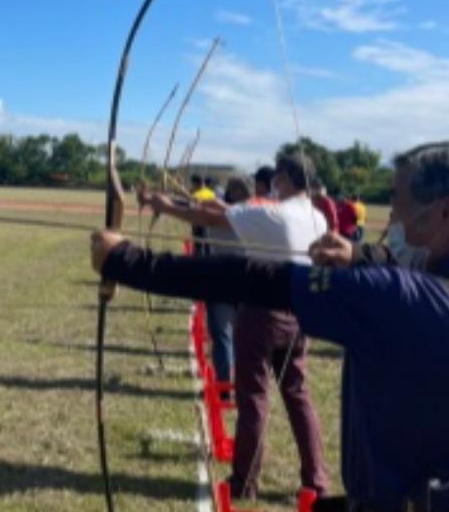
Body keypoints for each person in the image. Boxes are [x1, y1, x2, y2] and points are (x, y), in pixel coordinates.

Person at [92, 141, 449, 510]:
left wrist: (126, 261)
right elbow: (445, 275)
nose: (396, 216)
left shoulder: (398, 300)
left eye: (402, 203)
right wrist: (361, 254)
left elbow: (256, 278)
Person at [137, 154, 330, 500]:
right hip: (302, 314)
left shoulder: (273, 212)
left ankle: (245, 482)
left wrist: (163, 205)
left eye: (277, 180)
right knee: (298, 396)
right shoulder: (316, 216)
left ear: (284, 178)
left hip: (262, 312)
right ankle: (316, 481)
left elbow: (211, 215)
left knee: (253, 397)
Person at [202, 177, 251, 385]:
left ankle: (231, 383)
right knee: (228, 337)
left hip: (230, 280)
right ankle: (228, 384)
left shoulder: (244, 216)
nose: (234, 193)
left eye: (237, 189)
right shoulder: (253, 216)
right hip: (233, 279)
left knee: (230, 336)